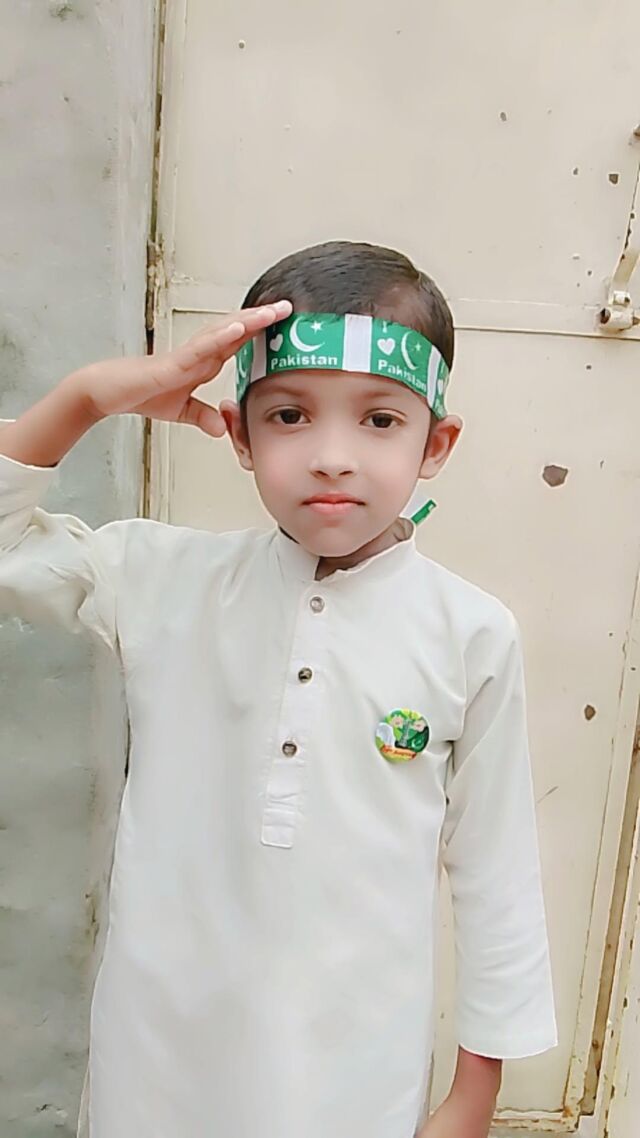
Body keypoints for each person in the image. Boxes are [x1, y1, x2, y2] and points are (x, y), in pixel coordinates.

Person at [0, 241, 557, 1138]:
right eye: (291, 415)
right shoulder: (160, 579)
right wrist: (89, 396)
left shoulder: (470, 634)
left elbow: (498, 875)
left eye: (379, 420)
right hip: (160, 1062)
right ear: (241, 435)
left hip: (352, 1074)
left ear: (436, 444)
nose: (332, 457)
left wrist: (474, 1093)